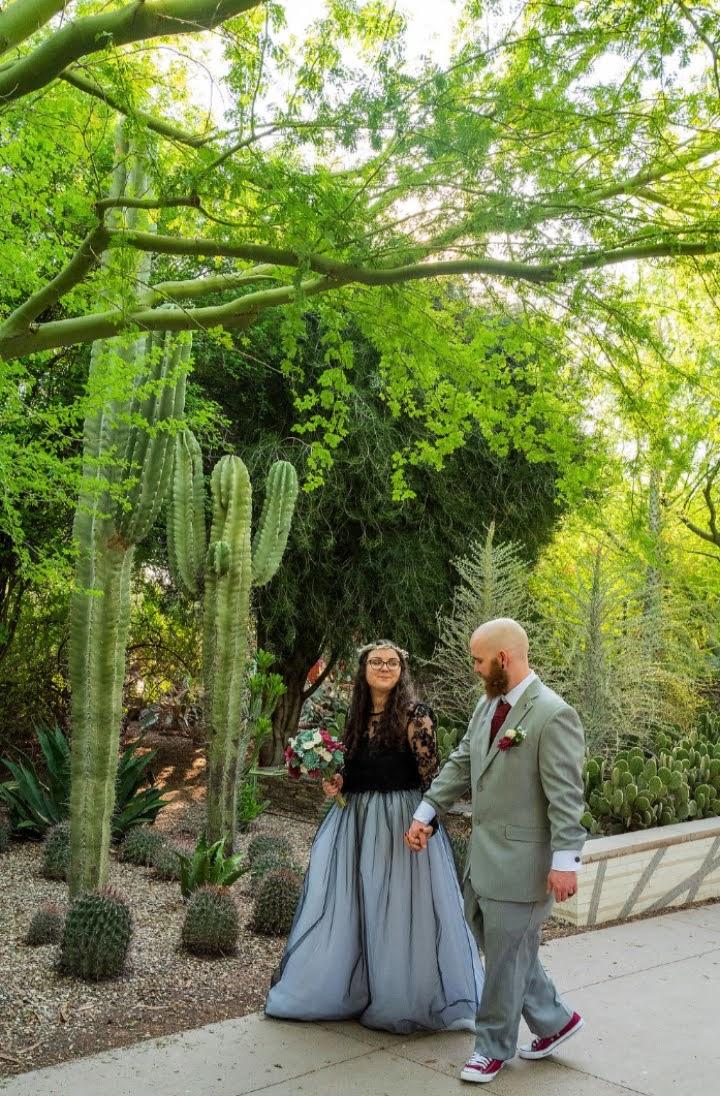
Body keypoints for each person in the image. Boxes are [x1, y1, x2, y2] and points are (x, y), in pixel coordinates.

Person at [265, 640, 483, 1033]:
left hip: (401, 822)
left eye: (392, 662)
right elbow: (355, 768)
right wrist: (337, 782)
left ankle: (404, 997)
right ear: (363, 670)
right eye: (376, 661)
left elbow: (432, 780)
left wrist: (427, 825)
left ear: (402, 670)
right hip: (358, 825)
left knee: (398, 908)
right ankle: (359, 988)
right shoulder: (358, 714)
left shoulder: (417, 716)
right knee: (360, 903)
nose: (384, 667)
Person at [407, 618, 586, 1085]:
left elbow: (567, 796)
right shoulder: (487, 707)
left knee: (505, 961)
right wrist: (428, 810)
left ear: (503, 659)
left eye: (479, 660)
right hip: (486, 860)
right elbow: (464, 759)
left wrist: (566, 862)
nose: (475, 668)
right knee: (507, 949)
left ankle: (491, 1049)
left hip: (525, 865)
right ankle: (556, 1021)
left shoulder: (552, 714)